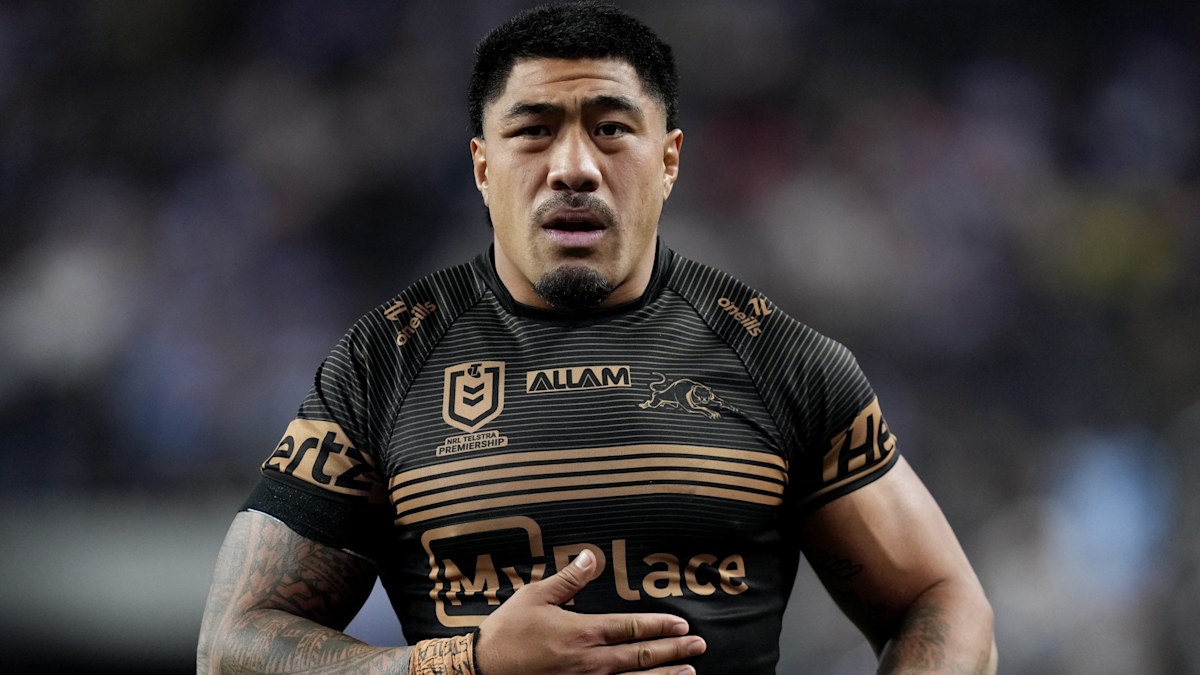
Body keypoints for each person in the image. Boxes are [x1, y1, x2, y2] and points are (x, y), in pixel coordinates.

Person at [197, 2, 997, 673]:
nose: (574, 166)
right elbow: (232, 643)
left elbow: (943, 598)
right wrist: (463, 663)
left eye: (612, 129)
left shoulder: (784, 361)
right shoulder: (382, 363)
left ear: (669, 160)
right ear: (482, 167)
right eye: (533, 131)